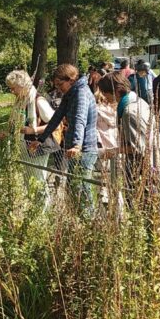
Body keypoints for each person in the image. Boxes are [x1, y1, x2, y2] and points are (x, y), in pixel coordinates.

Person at [97, 72, 160, 210]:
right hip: (153, 163)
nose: (105, 97)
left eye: (106, 93)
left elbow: (138, 148)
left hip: (148, 171)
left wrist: (111, 151)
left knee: (148, 208)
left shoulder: (129, 112)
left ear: (117, 91)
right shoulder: (137, 101)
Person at [33, 64, 99, 216]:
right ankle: (81, 224)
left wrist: (76, 145)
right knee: (73, 188)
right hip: (73, 150)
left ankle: (90, 225)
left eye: (60, 84)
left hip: (83, 150)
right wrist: (41, 139)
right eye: (56, 85)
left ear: (71, 80)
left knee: (81, 190)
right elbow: (57, 116)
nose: (58, 89)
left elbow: (79, 120)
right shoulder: (71, 93)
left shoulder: (81, 93)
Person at [5, 70, 57, 206]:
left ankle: (43, 211)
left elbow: (54, 123)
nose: (11, 91)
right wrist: (7, 131)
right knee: (29, 179)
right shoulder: (22, 100)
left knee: (38, 179)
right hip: (25, 146)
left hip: (38, 145)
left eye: (13, 88)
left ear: (22, 85)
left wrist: (33, 129)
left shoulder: (38, 100)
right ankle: (35, 209)